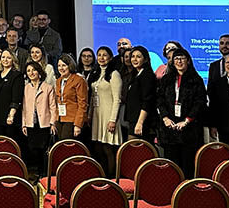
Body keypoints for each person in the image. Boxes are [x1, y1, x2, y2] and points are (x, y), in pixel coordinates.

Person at [156, 48, 206, 178]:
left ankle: (187, 189)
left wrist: (187, 120)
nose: (179, 61)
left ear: (188, 60)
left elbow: (200, 102)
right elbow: (160, 100)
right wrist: (165, 118)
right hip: (169, 128)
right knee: (171, 166)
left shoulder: (196, 80)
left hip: (189, 129)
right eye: (176, 59)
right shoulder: (166, 79)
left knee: (187, 165)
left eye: (182, 58)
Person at [88, 47, 122, 177]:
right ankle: (102, 175)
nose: (101, 58)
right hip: (97, 116)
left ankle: (112, 177)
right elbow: (93, 98)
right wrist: (89, 115)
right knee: (98, 147)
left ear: (110, 57)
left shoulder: (114, 74)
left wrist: (113, 120)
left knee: (108, 148)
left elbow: (117, 99)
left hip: (108, 115)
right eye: (99, 55)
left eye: (105, 55)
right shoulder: (95, 73)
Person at [21, 61, 56, 177]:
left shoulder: (48, 87)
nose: (31, 73)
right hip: (31, 123)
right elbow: (24, 107)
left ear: (39, 72)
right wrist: (24, 124)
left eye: (33, 70)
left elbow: (53, 107)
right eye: (28, 71)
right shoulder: (26, 88)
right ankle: (38, 172)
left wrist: (53, 123)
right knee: (34, 150)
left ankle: (44, 174)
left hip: (44, 123)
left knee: (44, 150)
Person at [124, 47, 157, 143]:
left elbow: (147, 101)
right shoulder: (135, 75)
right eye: (133, 56)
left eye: (138, 57)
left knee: (135, 147)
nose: (134, 59)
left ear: (145, 59)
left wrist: (140, 123)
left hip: (143, 121)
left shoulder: (147, 75)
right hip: (134, 119)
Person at [53, 54, 88, 140]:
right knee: (59, 144)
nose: (61, 68)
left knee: (66, 143)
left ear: (70, 66)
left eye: (64, 65)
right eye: (59, 66)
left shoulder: (78, 80)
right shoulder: (58, 81)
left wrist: (78, 124)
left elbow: (82, 104)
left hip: (73, 119)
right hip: (60, 118)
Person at [0, 49, 24, 139]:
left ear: (13, 60)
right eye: (3, 57)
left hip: (11, 118)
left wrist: (11, 115)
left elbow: (16, 98)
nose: (5, 60)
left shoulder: (17, 76)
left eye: (8, 58)